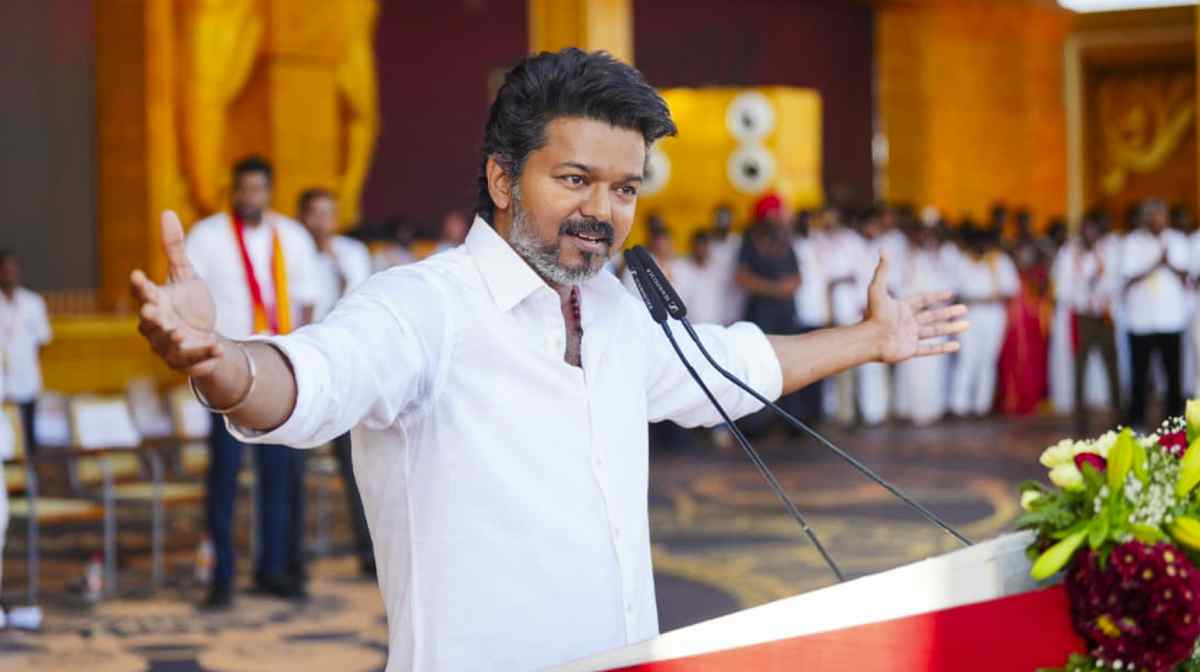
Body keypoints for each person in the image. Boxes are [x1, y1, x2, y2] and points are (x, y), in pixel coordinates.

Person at [130, 48, 968, 671]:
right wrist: (219, 362)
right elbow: (313, 377)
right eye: (574, 179)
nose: (601, 211)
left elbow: (724, 369)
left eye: (626, 188)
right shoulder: (423, 307)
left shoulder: (615, 311)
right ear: (501, 178)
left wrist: (874, 340)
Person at [181, 156, 320, 608]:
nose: (250, 197)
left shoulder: (293, 238)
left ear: (270, 190)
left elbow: (305, 304)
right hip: (226, 367)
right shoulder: (208, 236)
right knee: (224, 478)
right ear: (233, 191)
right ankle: (220, 577)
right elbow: (191, 299)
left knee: (279, 477)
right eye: (243, 190)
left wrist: (301, 364)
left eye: (258, 189)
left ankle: (274, 569)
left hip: (279, 372)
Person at [297, 187, 376, 576]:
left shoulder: (353, 253)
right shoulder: (294, 254)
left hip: (351, 371)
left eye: (329, 213)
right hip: (310, 369)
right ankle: (292, 557)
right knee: (293, 465)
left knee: (360, 466)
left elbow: (364, 304)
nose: (323, 221)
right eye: (316, 213)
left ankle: (369, 552)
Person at [1121, 199, 1191, 431]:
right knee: (1139, 375)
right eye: (1151, 215)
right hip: (1140, 320)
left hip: (1170, 319)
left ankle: (1173, 422)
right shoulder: (1132, 242)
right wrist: (1154, 263)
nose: (1156, 220)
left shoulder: (1178, 240)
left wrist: (1168, 263)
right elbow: (1128, 277)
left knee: (1173, 374)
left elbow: (1187, 276)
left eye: (1160, 215)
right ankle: (1137, 422)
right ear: (1144, 218)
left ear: (1166, 218)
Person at [1053, 214, 1121, 434]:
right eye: (1086, 231)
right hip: (1082, 316)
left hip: (1104, 315)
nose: (1091, 236)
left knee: (1112, 366)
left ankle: (1118, 416)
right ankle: (1080, 420)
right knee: (1079, 368)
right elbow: (1062, 288)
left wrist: (1102, 289)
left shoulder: (1107, 251)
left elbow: (1116, 280)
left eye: (1095, 231)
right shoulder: (1068, 253)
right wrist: (1084, 286)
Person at [949, 225, 1019, 417]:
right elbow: (955, 292)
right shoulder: (963, 261)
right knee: (967, 359)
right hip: (968, 315)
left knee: (987, 360)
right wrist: (975, 299)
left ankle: (982, 406)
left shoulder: (1000, 261)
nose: (982, 247)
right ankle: (959, 406)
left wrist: (984, 299)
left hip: (993, 316)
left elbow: (1011, 290)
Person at [893, 221, 952, 426]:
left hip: (938, 318)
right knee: (916, 366)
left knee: (936, 367)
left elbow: (950, 287)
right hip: (916, 318)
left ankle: (933, 409)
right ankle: (915, 410)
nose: (928, 240)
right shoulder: (909, 259)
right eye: (925, 235)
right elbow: (901, 289)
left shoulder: (940, 258)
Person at [0, 251, 51, 452]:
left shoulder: (33, 303)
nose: (9, 273)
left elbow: (43, 342)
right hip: (1, 386)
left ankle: (29, 481)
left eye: (12, 268)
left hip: (26, 383)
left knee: (29, 443)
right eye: (4, 268)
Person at [671, 230, 725, 326]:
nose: (702, 250)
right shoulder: (679, 266)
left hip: (714, 325)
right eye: (699, 245)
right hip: (686, 325)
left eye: (705, 246)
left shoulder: (717, 269)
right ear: (692, 246)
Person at [708, 204, 745, 325]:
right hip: (710, 300)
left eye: (726, 219)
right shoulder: (706, 244)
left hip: (734, 300)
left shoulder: (738, 243)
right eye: (720, 219)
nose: (723, 223)